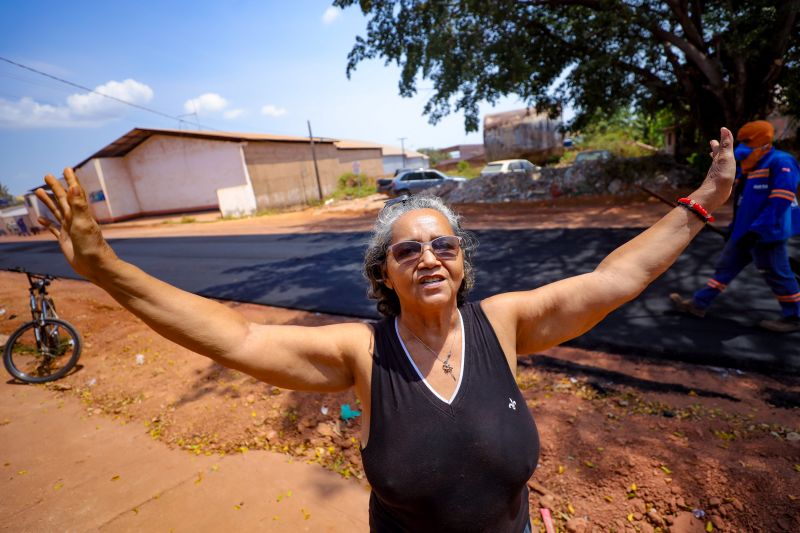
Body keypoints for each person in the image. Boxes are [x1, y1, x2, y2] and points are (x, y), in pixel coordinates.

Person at [34, 129, 735, 532]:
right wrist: (108, 270)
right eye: (408, 249)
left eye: (444, 246)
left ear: (461, 264)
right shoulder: (360, 350)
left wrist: (699, 206)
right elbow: (234, 338)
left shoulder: (505, 322)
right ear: (385, 273)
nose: (429, 255)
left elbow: (615, 279)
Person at [670, 120, 800, 333]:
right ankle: (698, 304)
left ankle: (795, 317)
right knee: (726, 267)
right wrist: (734, 227)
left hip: (767, 234)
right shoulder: (750, 166)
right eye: (741, 142)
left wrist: (757, 230)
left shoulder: (782, 162)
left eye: (748, 142)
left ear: (763, 141)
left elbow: (780, 202)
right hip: (743, 231)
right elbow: (742, 203)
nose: (742, 147)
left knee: (778, 273)